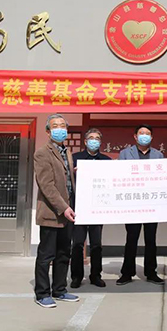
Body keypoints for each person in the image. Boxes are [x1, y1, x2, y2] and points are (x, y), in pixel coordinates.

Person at [33, 114, 79, 308]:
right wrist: (64, 207)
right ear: (48, 131)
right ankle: (42, 293)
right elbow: (47, 185)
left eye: (63, 126)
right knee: (46, 255)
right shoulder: (42, 153)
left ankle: (59, 289)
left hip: (68, 213)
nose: (60, 129)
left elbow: (65, 180)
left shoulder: (66, 152)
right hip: (52, 213)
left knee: (63, 253)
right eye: (55, 126)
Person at [116, 124, 165, 286]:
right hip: (132, 203)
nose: (144, 136)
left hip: (152, 203)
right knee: (131, 238)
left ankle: (151, 272)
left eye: (147, 133)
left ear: (152, 137)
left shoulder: (158, 155)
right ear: (135, 137)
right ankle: (127, 273)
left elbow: (164, 178)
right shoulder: (125, 154)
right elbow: (118, 176)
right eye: (141, 133)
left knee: (151, 239)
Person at [70, 128, 111, 288]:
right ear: (85, 141)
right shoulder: (75, 158)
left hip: (97, 208)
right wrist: (74, 174)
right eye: (91, 138)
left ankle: (96, 276)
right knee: (77, 244)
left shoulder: (106, 161)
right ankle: (76, 276)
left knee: (96, 244)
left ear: (100, 142)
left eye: (97, 138)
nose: (94, 141)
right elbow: (66, 180)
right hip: (78, 207)